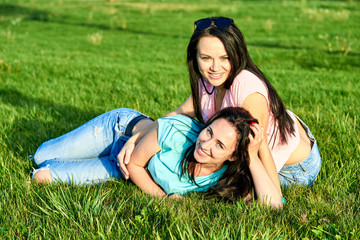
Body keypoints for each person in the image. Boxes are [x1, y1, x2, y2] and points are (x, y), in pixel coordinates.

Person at [118, 17, 321, 196]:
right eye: (206, 58)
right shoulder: (208, 82)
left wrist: (274, 193)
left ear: (237, 54)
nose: (215, 67)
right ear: (195, 57)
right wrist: (136, 139)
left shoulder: (247, 90)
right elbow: (178, 114)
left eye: (225, 58)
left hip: (294, 167)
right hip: (283, 128)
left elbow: (262, 150)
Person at [32, 107, 283, 207]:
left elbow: (274, 205)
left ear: (232, 157)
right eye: (208, 132)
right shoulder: (177, 131)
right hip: (120, 133)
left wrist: (251, 155)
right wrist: (163, 197)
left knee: (42, 176)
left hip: (123, 167)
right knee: (40, 155)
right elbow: (134, 162)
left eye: (219, 145)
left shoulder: (224, 178)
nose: (205, 144)